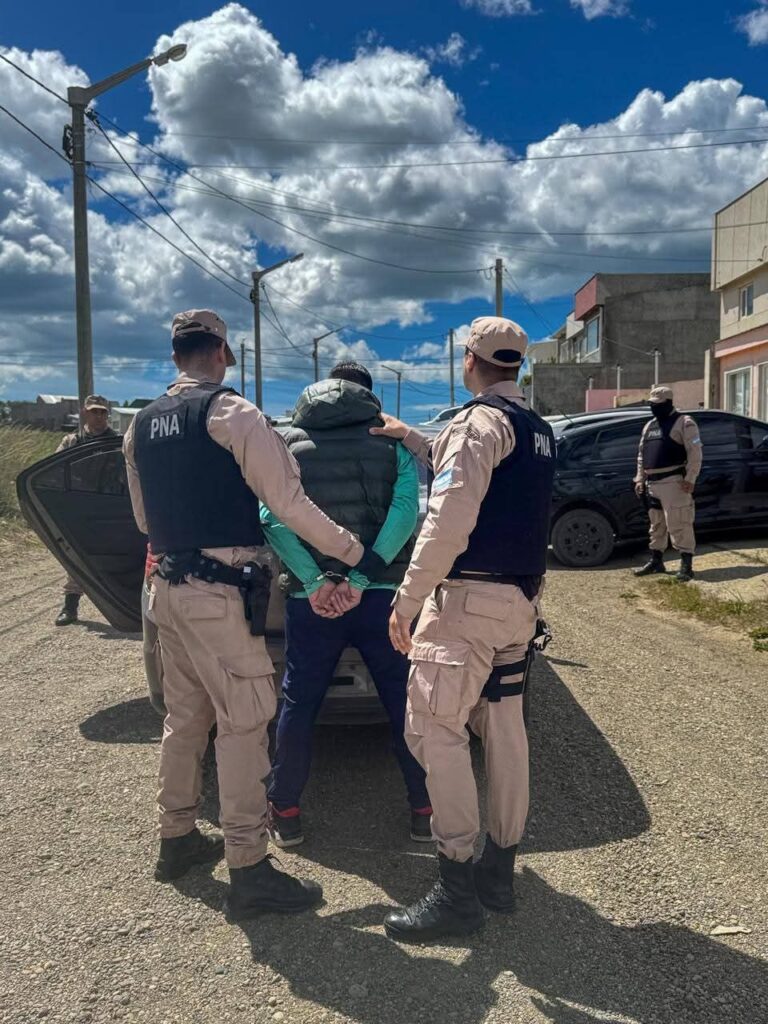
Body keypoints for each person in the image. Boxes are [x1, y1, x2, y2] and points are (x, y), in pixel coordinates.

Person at [123, 309, 380, 920]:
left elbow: (143, 520)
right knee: (245, 722)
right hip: (217, 595)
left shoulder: (141, 423)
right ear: (223, 353)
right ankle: (249, 868)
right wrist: (354, 552)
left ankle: (177, 838)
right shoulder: (232, 414)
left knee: (186, 718)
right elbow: (287, 501)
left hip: (167, 591)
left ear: (175, 355)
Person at [370, 316, 556, 944]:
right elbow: (478, 470)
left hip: (466, 606)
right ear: (516, 365)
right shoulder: (534, 430)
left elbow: (447, 520)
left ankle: (456, 888)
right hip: (516, 606)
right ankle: (498, 872)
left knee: (433, 730)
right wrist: (412, 437)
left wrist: (406, 601)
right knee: (504, 732)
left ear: (469, 360)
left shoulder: (478, 425)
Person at [261, 361, 432, 849]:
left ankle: (286, 812)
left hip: (310, 601)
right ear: (368, 397)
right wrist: (360, 578)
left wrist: (316, 581)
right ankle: (424, 810)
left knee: (299, 703)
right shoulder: (392, 445)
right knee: (403, 701)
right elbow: (405, 515)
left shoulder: (287, 445)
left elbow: (271, 518)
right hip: (382, 597)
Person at [54, 395, 119, 626]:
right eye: (94, 412)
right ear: (85, 413)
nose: (99, 416)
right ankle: (70, 606)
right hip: (80, 507)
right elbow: (55, 469)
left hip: (110, 507)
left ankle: (124, 609)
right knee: (76, 557)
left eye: (102, 412)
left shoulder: (117, 442)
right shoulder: (72, 441)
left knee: (118, 557)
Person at [633, 386, 703, 583]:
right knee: (656, 525)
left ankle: (686, 566)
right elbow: (641, 455)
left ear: (669, 403)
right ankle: (656, 561)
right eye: (652, 404)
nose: (654, 408)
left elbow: (695, 453)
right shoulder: (650, 426)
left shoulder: (685, 423)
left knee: (679, 523)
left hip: (674, 482)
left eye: (658, 405)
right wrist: (639, 478)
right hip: (652, 483)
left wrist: (690, 479)